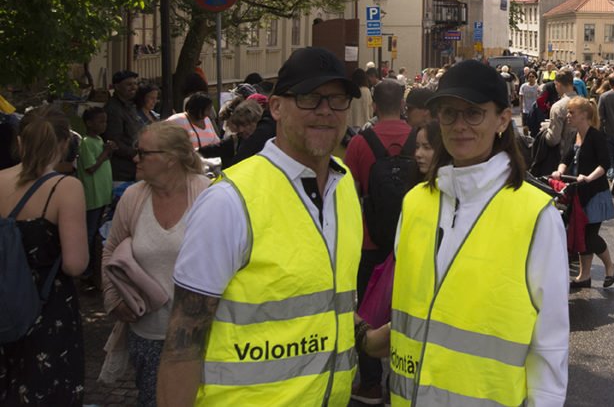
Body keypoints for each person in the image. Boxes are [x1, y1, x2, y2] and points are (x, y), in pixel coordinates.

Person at [158, 47, 364, 405]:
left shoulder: (343, 186)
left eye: (337, 99)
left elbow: (328, 297)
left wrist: (366, 335)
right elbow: (182, 346)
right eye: (309, 98)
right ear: (276, 107)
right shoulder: (229, 201)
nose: (325, 111)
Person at [387, 59, 568, 405]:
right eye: (449, 113)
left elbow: (550, 343)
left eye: (473, 114)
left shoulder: (536, 215)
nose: (459, 126)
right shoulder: (414, 203)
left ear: (502, 119)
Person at [102, 122, 211, 406]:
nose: (135, 158)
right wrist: (114, 299)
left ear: (170, 159)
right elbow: (110, 250)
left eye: (143, 152)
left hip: (199, 338)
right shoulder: (133, 198)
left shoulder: (207, 194)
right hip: (147, 335)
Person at [0, 109, 88, 406]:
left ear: (20, 142)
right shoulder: (65, 188)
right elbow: (75, 264)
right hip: (46, 309)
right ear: (64, 144)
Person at [344, 78, 414, 405]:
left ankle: (370, 383)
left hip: (371, 242)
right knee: (410, 312)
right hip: (411, 244)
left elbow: (352, 190)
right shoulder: (419, 140)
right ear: (403, 105)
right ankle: (401, 378)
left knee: (367, 313)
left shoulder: (360, 143)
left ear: (374, 105)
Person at [553, 97, 614, 289]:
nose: (568, 116)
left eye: (572, 112)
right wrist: (560, 170)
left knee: (590, 237)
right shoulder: (575, 136)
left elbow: (605, 164)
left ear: (584, 115)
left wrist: (589, 177)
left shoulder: (596, 136)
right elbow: (566, 158)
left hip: (595, 194)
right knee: (581, 234)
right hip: (579, 193)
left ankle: (611, 267)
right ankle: (584, 276)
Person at [76, 106, 115, 282]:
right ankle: (86, 267)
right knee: (90, 232)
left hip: (103, 193)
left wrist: (108, 151)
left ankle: (94, 266)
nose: (104, 125)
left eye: (105, 121)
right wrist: (105, 152)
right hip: (93, 195)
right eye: (100, 121)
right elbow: (90, 167)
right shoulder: (85, 142)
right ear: (89, 123)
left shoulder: (99, 139)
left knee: (98, 231)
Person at [196, 100, 263, 169]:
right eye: (238, 125)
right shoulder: (235, 141)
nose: (241, 130)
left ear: (256, 122)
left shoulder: (267, 142)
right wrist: (194, 151)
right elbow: (214, 149)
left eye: (245, 125)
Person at [105, 69, 143, 188]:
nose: (133, 87)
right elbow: (114, 140)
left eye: (135, 84)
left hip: (134, 169)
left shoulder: (130, 106)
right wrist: (134, 155)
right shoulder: (113, 109)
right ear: (117, 86)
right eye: (129, 84)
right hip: (121, 173)